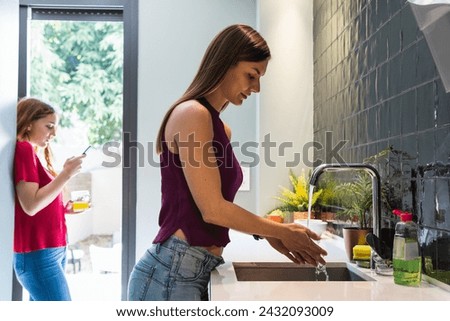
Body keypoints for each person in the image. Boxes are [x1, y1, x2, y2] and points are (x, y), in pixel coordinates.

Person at [127, 24, 327, 301]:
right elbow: (212, 210)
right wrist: (280, 230)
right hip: (171, 273)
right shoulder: (192, 114)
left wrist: (266, 232)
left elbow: (215, 204)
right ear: (226, 62)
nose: (256, 88)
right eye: (251, 75)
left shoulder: (219, 127)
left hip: (193, 270)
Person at [13, 97, 86, 301]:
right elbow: (30, 205)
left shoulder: (35, 153)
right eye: (49, 126)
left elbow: (37, 200)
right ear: (28, 123)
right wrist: (66, 174)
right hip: (39, 253)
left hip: (53, 248)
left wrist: (63, 209)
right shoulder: (24, 150)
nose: (53, 134)